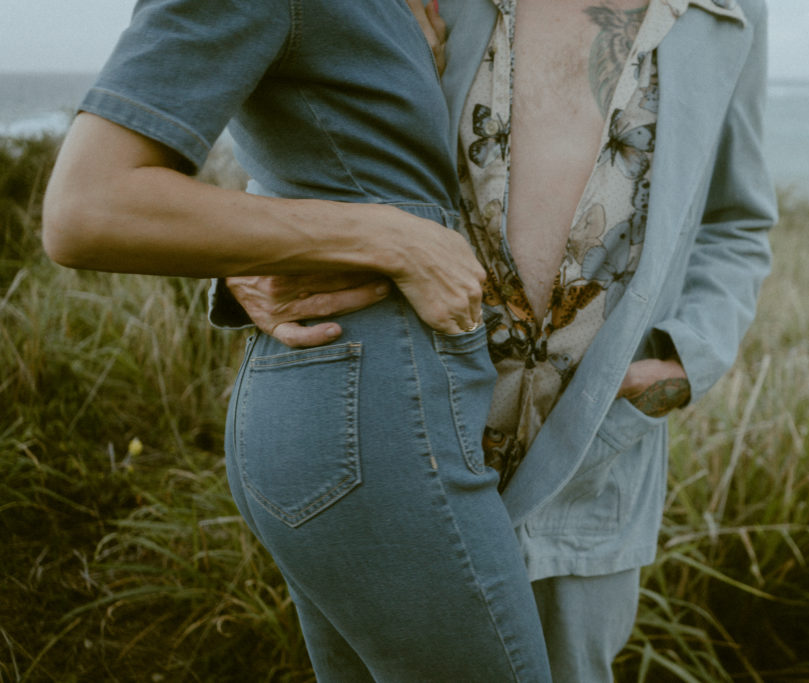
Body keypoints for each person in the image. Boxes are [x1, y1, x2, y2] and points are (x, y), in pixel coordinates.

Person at [222, 0, 776, 679]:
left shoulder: (733, 12)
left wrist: (688, 360)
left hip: (590, 471)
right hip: (401, 446)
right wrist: (245, 262)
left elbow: (737, 220)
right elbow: (319, 136)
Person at [40, 0, 556, 680]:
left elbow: (311, 151)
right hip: (373, 419)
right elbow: (88, 206)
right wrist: (390, 236)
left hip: (368, 407)